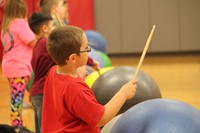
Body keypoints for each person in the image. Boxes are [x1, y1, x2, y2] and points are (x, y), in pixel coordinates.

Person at [42, 26, 137, 133]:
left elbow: (67, 103)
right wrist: (123, 94)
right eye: (86, 48)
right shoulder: (77, 90)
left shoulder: (52, 71)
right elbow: (101, 119)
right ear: (73, 58)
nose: (89, 51)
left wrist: (78, 78)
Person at [1, 0, 36, 132]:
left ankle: (17, 124)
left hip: (10, 66)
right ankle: (17, 126)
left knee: (16, 97)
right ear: (21, 11)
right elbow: (32, 41)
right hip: (19, 67)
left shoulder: (7, 24)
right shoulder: (20, 23)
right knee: (17, 98)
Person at [39, 0, 100, 72]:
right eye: (63, 5)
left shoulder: (57, 23)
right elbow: (71, 48)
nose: (66, 7)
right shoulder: (54, 25)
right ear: (54, 9)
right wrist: (91, 62)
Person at [28, 12, 55, 133]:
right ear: (45, 28)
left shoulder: (38, 46)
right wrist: (90, 62)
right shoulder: (46, 43)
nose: (54, 28)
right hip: (42, 94)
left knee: (40, 129)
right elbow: (63, 53)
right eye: (52, 25)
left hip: (36, 93)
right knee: (46, 129)